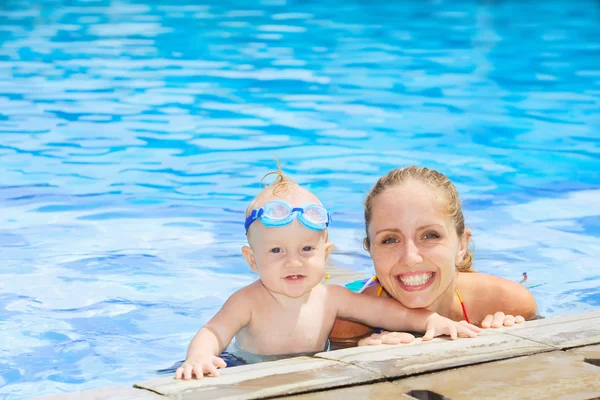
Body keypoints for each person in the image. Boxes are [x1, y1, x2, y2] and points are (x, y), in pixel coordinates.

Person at [176, 169, 481, 380]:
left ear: (325, 253)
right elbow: (213, 332)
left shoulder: (331, 298)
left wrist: (430, 321)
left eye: (306, 250)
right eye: (276, 252)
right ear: (252, 260)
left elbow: (391, 313)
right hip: (244, 368)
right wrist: (199, 358)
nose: (293, 262)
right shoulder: (247, 302)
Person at [330, 166, 538, 345]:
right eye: (390, 240)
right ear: (370, 250)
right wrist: (358, 350)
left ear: (462, 245)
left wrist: (504, 333)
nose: (410, 258)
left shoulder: (508, 303)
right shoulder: (349, 324)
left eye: (430, 235)